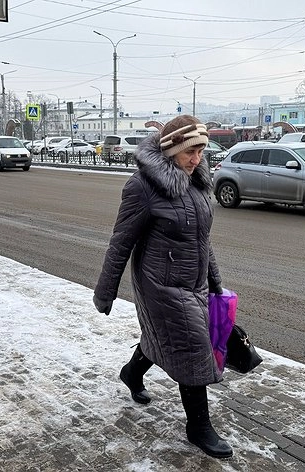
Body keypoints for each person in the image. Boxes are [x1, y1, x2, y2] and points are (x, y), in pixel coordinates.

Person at [93, 115, 231, 459]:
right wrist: (106, 291)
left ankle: (131, 373)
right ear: (171, 150)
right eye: (190, 152)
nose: (196, 159)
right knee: (193, 347)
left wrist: (215, 281)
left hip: (195, 283)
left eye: (201, 151)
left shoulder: (197, 182)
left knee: (164, 339)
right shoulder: (142, 186)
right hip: (160, 284)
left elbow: (202, 239)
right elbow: (121, 241)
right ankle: (199, 426)